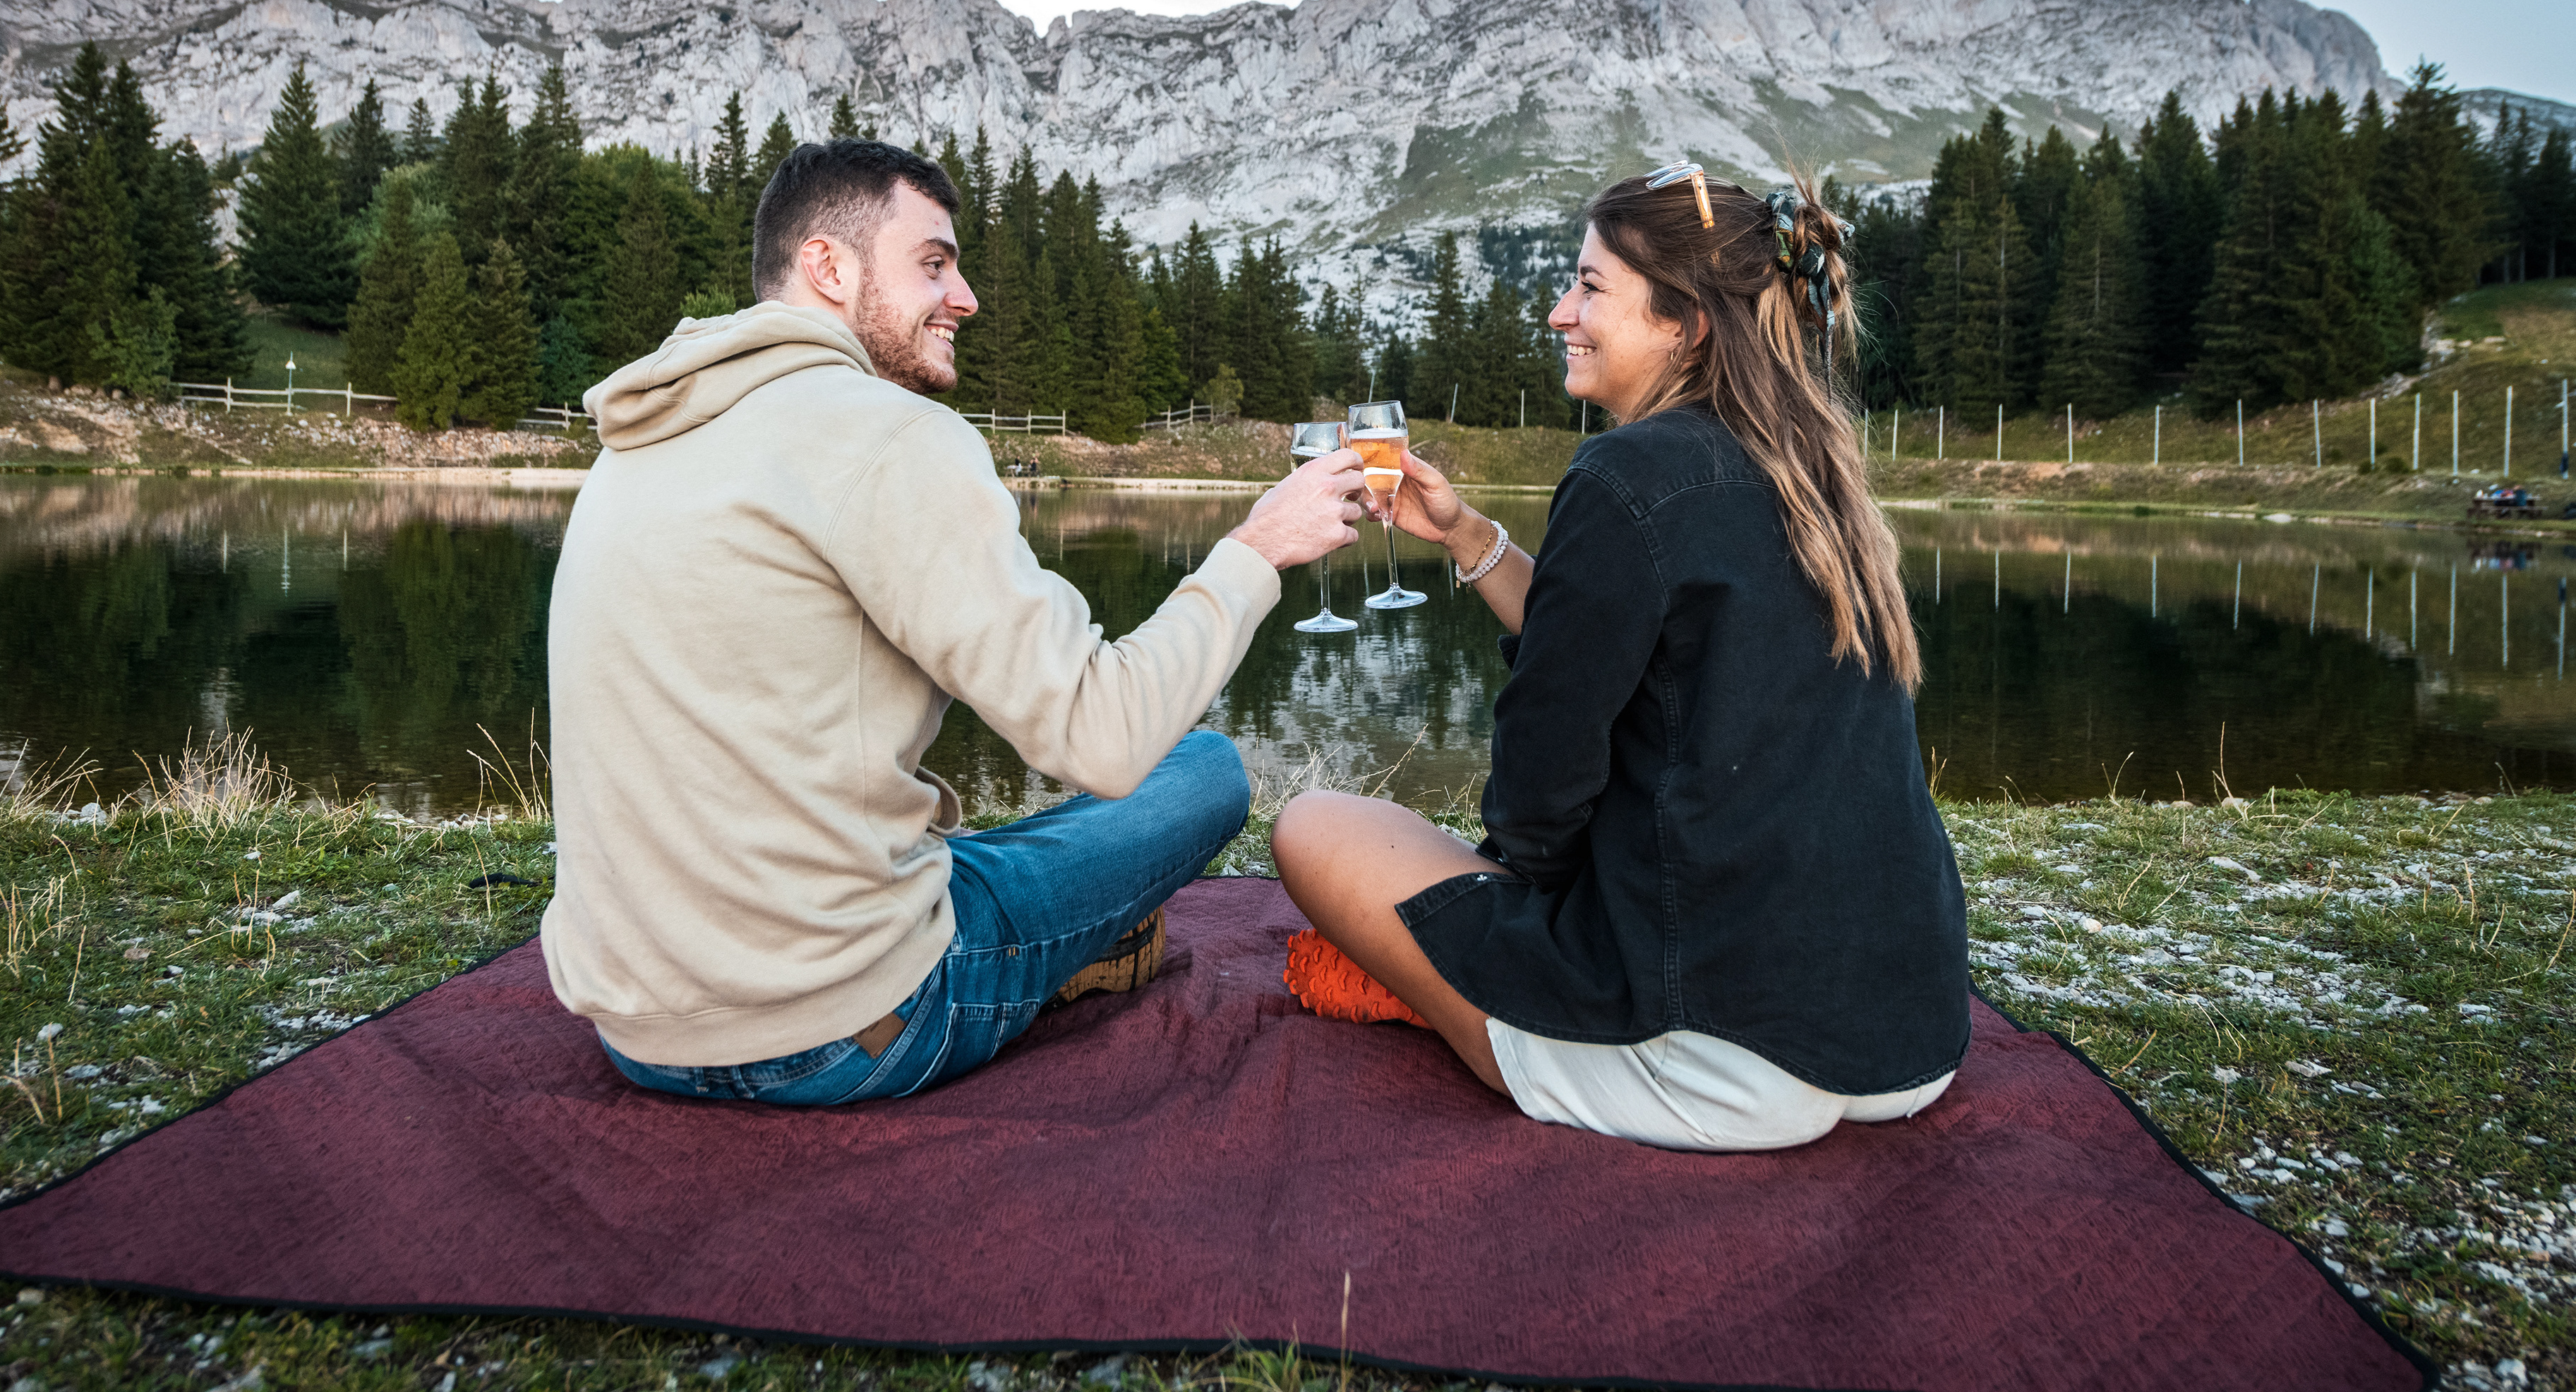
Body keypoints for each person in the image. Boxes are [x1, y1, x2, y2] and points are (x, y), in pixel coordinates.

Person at [543, 138, 1364, 1105]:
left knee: (963, 847)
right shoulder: (889, 435)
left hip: (636, 1025)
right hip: (838, 1029)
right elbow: (1103, 738)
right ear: (828, 267)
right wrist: (1259, 547)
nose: (965, 296)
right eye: (933, 263)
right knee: (1204, 771)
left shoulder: (648, 431)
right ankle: (1069, 951)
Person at [1272, 161, 1968, 1151]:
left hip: (1720, 1055)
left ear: (1684, 322)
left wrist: (1519, 889)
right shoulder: (1812, 468)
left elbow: (1534, 806)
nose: (1560, 312)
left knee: (1313, 826)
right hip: (1908, 1040)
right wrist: (1471, 536)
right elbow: (1623, 646)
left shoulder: (1626, 472)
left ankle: (1455, 1008)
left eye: (1591, 286)